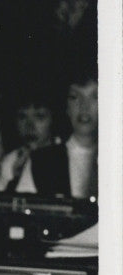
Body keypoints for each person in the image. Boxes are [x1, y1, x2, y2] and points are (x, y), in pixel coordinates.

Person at [26, 66, 98, 198]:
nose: (84, 107)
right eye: (75, 97)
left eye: (95, 97)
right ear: (66, 107)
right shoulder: (43, 161)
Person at [0, 89, 57, 192]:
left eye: (39, 117)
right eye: (22, 117)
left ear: (53, 120)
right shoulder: (11, 161)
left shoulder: (66, 157)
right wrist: (16, 177)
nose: (30, 126)